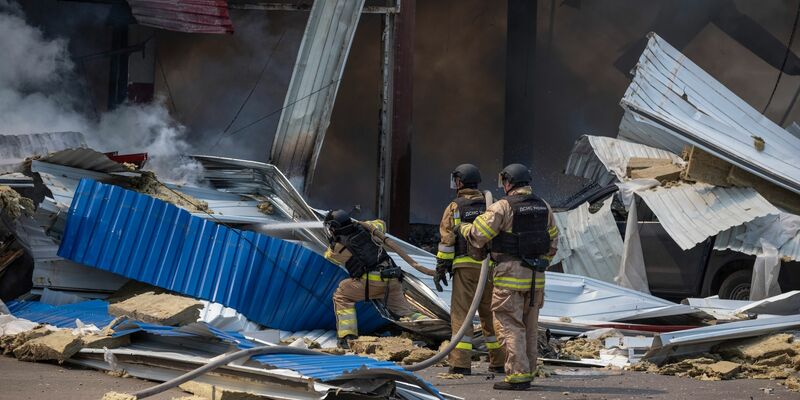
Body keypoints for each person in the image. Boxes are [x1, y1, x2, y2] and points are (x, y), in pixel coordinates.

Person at [458, 163, 558, 391]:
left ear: (508, 182)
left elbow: (478, 234)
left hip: (509, 277)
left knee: (508, 325)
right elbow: (553, 243)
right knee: (529, 326)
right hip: (536, 280)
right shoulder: (544, 207)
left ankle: (518, 375)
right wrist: (540, 264)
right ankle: (529, 370)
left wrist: (463, 228)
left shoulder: (502, 207)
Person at [435, 164, 505, 375]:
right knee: (491, 315)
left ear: (459, 182)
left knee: (462, 315)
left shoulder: (454, 207)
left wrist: (441, 267)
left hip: (465, 268)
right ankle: (499, 361)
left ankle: (460, 364)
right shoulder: (491, 205)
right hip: (490, 269)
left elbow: (447, 241)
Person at [323, 209, 427, 349]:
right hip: (393, 279)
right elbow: (381, 224)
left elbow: (329, 257)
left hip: (370, 284)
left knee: (342, 295)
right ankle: (431, 327)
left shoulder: (338, 247)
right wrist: (362, 224)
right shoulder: (369, 228)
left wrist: (331, 241)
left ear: (334, 228)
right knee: (406, 313)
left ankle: (347, 336)